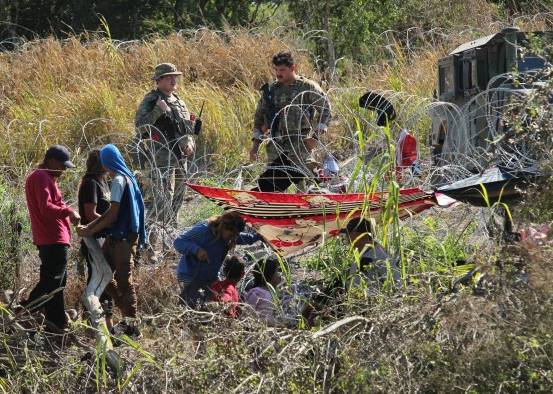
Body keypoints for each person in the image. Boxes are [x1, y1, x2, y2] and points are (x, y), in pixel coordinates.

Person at [77, 144, 146, 338]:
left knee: (124, 283)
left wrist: (89, 229)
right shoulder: (128, 178)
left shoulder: (118, 180)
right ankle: (122, 309)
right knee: (104, 274)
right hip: (118, 238)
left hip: (122, 239)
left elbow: (112, 215)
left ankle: (132, 328)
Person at [250, 51, 332, 192]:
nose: (278, 73)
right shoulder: (271, 91)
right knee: (274, 186)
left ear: (292, 68)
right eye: (276, 70)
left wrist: (315, 137)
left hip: (300, 145)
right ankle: (277, 210)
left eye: (282, 70)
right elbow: (258, 118)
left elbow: (326, 109)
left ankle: (315, 206)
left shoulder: (306, 87)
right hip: (276, 145)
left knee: (305, 185)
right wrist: (255, 146)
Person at [22, 145, 81, 331]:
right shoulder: (40, 177)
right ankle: (26, 310)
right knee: (53, 282)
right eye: (62, 166)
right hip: (52, 238)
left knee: (58, 282)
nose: (64, 170)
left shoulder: (46, 178)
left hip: (53, 238)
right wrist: (68, 211)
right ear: (52, 161)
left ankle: (57, 323)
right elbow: (46, 209)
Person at [135, 62, 198, 224]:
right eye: (169, 78)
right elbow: (141, 126)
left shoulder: (179, 101)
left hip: (181, 154)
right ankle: (159, 227)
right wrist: (158, 110)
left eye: (175, 77)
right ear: (159, 80)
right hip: (162, 154)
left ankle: (172, 222)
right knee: (164, 193)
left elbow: (186, 127)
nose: (173, 81)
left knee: (180, 190)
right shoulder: (151, 100)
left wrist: (190, 143)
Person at [174, 211, 262, 308]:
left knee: (210, 305)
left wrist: (258, 236)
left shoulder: (228, 236)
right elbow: (179, 242)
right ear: (223, 227)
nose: (232, 238)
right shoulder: (204, 230)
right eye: (231, 235)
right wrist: (196, 250)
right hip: (190, 275)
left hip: (208, 278)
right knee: (193, 306)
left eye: (235, 236)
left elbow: (242, 238)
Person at [77, 149, 113, 330]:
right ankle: (94, 324)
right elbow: (90, 214)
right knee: (99, 279)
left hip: (102, 236)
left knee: (104, 279)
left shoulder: (102, 182)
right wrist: (110, 224)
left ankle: (103, 323)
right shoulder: (91, 183)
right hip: (94, 238)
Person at [340, 217, 401, 288]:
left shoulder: (373, 257)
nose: (348, 239)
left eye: (350, 234)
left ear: (362, 236)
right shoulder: (367, 252)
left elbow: (396, 284)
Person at [245, 257, 284, 325]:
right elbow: (247, 313)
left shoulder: (273, 292)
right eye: (276, 272)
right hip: (258, 329)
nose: (278, 275)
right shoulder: (257, 292)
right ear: (269, 275)